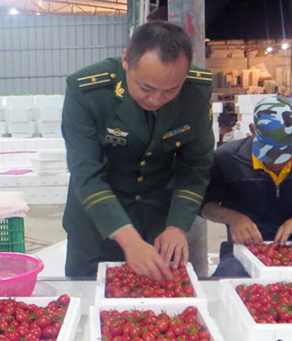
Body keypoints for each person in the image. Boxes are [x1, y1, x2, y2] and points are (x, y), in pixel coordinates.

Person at [61, 20, 214, 281]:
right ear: (126, 61)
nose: (156, 99)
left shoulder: (196, 91)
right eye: (146, 88)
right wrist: (129, 240)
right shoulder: (88, 91)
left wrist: (177, 225)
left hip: (158, 226)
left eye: (171, 90)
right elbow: (86, 174)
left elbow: (195, 166)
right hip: (96, 226)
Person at [201, 95, 292, 277]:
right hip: (243, 251)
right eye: (267, 149)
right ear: (252, 131)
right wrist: (234, 218)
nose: (275, 162)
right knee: (226, 280)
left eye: (285, 151)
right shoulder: (227, 158)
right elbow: (204, 206)